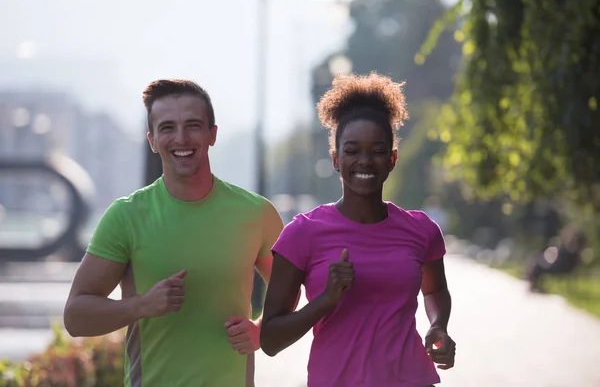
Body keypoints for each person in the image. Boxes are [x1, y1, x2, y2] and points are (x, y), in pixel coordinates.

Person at [63, 79, 283, 386]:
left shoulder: (256, 212)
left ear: (212, 135)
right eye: (167, 128)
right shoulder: (126, 216)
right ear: (153, 140)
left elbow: (287, 287)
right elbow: (74, 317)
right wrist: (141, 306)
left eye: (193, 125)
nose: (181, 138)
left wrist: (261, 331)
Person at [260, 73, 456, 387]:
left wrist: (439, 326)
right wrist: (325, 300)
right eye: (352, 151)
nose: (365, 161)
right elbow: (270, 340)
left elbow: (434, 290)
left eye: (378, 151)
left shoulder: (421, 230)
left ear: (392, 159)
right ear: (336, 159)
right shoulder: (303, 234)